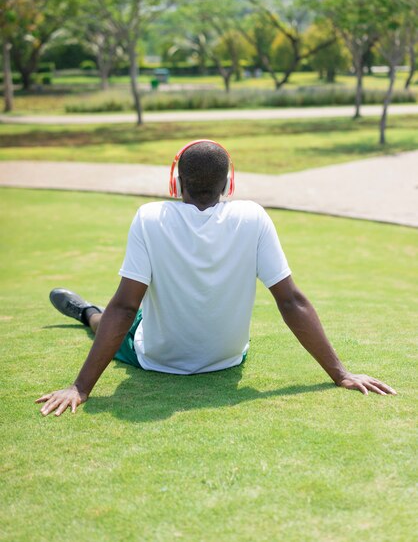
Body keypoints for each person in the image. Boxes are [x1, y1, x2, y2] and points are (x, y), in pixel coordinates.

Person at [36, 139, 396, 417]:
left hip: (157, 358)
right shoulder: (253, 217)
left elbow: (126, 307)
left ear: (176, 182)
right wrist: (341, 374)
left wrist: (80, 388)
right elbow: (291, 301)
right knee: (134, 315)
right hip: (228, 357)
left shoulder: (149, 216)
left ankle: (85, 313)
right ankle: (87, 312)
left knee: (111, 320)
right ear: (229, 181)